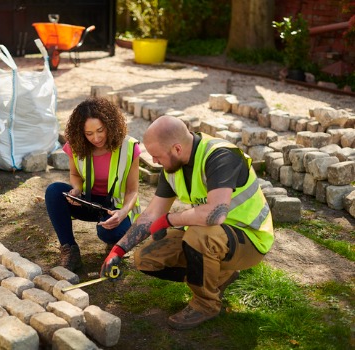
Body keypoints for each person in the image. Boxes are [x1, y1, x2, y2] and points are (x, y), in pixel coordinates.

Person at [100, 115, 274, 330]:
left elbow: (215, 215)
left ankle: (206, 304)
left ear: (177, 149)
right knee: (146, 258)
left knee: (198, 236)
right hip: (214, 236)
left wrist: (170, 219)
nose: (154, 162)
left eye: (157, 156)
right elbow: (151, 215)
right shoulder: (172, 167)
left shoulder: (221, 156)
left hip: (250, 238)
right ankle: (219, 276)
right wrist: (117, 251)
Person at [45, 97, 141, 272]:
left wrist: (123, 212)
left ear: (110, 125)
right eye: (89, 134)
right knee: (54, 191)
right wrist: (76, 189)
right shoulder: (76, 145)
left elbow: (132, 190)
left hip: (116, 206)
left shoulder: (130, 147)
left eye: (100, 130)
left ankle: (117, 241)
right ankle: (70, 250)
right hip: (88, 201)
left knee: (108, 233)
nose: (96, 138)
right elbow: (74, 174)